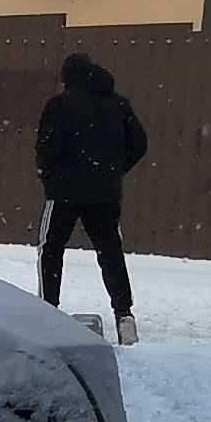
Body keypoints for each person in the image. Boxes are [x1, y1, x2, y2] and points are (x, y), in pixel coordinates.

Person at [34, 52, 146, 345]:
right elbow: (139, 144)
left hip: (64, 192)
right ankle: (124, 316)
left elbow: (46, 148)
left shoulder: (58, 106)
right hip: (105, 193)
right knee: (110, 252)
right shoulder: (118, 105)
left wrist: (50, 177)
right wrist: (114, 170)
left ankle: (48, 310)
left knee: (51, 248)